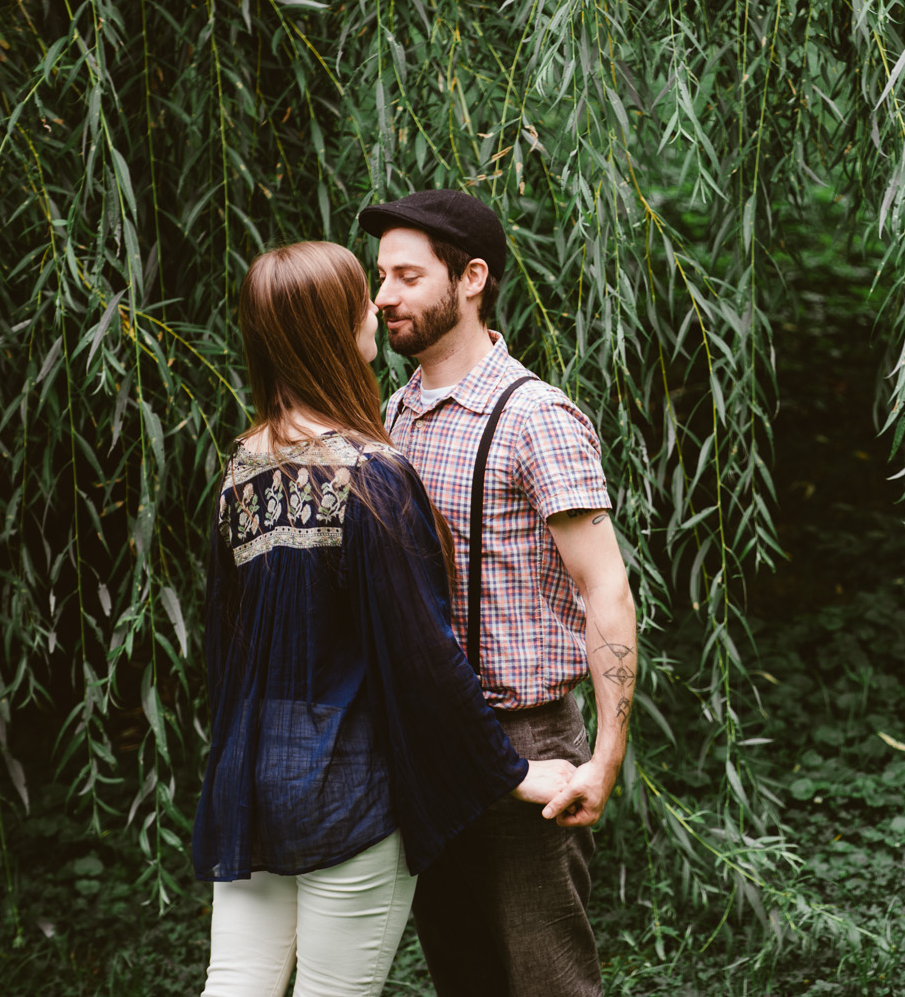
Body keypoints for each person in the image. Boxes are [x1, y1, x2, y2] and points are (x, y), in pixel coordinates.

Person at [191, 240, 577, 997]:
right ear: (329, 331)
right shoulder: (372, 476)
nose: (375, 304)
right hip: (347, 784)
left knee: (235, 983)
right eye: (355, 298)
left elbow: (224, 653)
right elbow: (421, 657)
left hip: (251, 776)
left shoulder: (241, 473)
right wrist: (517, 775)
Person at [358, 189, 638, 997]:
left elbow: (606, 588)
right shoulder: (394, 418)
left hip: (532, 741)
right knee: (463, 976)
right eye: (382, 277)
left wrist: (605, 757)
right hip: (435, 744)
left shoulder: (535, 417)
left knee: (547, 981)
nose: (384, 297)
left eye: (407, 276)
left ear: (471, 277)